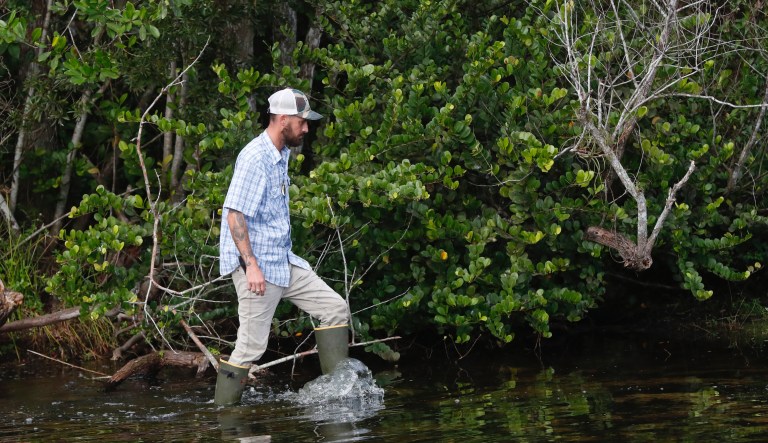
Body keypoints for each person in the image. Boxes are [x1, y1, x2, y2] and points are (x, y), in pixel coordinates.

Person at [214, 88, 350, 406]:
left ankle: (337, 396)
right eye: (302, 122)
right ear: (284, 120)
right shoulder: (254, 158)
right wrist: (251, 267)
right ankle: (223, 418)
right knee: (250, 348)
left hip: (281, 261)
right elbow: (234, 214)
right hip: (257, 267)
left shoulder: (281, 153)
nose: (306, 129)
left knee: (334, 309)